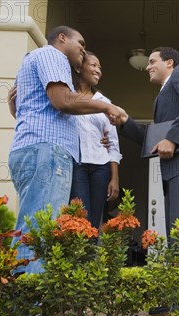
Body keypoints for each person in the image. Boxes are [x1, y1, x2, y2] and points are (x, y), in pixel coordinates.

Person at [8, 25, 127, 274]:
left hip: (35, 150)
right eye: (80, 44)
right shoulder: (53, 55)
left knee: (34, 224)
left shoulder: (32, 60)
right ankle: (30, 306)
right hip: (47, 152)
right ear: (62, 38)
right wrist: (106, 107)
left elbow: (25, 110)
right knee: (40, 229)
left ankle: (24, 298)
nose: (83, 50)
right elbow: (62, 101)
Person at [117, 47, 179, 240]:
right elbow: (154, 142)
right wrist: (125, 121)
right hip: (174, 169)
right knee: (176, 235)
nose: (148, 67)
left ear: (169, 62)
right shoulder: (160, 98)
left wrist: (172, 139)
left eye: (152, 61)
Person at [69, 51, 122, 229]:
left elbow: (113, 143)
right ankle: (80, 257)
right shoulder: (67, 97)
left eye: (100, 67)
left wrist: (114, 178)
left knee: (94, 222)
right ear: (79, 68)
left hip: (101, 167)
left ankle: (90, 257)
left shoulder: (105, 102)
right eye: (93, 65)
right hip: (77, 165)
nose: (98, 70)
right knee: (80, 219)